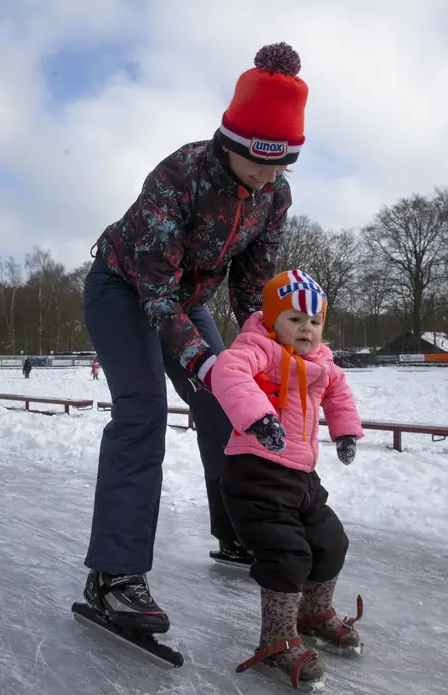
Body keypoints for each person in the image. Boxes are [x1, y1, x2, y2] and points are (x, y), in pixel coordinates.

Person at [79, 41, 308, 634]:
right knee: (143, 411)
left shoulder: (274, 196)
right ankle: (114, 575)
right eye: (259, 159)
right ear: (232, 144)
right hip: (123, 288)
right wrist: (204, 361)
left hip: (187, 302)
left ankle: (239, 531)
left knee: (229, 404)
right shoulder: (179, 175)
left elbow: (257, 286)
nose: (266, 176)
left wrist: (272, 353)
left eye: (281, 163)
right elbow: (155, 294)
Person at [211, 270, 364, 690]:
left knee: (331, 542)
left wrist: (346, 430)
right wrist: (259, 418)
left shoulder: (322, 363)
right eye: (295, 319)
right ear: (273, 320)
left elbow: (339, 394)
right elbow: (229, 373)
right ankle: (276, 640)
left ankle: (314, 613)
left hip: (302, 476)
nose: (307, 329)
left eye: (314, 322)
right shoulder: (257, 349)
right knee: (286, 555)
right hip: (256, 474)